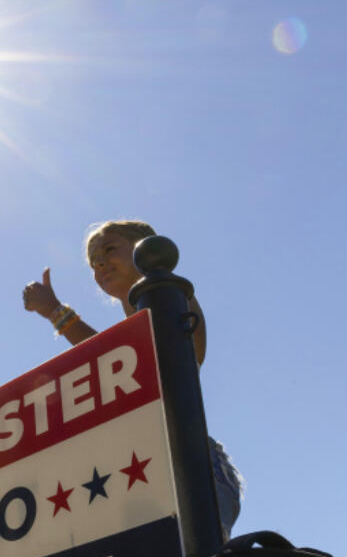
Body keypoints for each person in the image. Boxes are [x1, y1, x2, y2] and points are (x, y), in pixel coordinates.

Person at [21, 220, 243, 537]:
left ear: (145, 247)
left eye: (110, 249)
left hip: (191, 465)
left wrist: (56, 311)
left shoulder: (174, 295)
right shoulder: (134, 324)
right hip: (144, 467)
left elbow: (120, 362)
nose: (99, 263)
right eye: (93, 261)